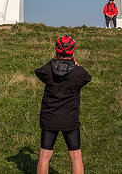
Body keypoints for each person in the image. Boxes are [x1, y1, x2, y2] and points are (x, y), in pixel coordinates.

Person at [35, 36, 91, 174]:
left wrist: (53, 61)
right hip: (70, 118)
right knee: (75, 156)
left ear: (56, 50)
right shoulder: (79, 73)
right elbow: (87, 78)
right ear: (73, 51)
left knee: (44, 155)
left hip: (50, 117)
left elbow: (39, 71)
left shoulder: (47, 70)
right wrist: (76, 64)